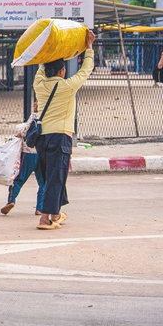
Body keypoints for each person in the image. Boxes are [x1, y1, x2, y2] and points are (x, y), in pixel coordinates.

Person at [33, 30, 95, 230]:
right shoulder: (68, 86)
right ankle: (45, 218)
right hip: (61, 138)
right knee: (55, 176)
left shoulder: (39, 85)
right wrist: (89, 47)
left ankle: (57, 212)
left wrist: (47, 52)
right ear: (61, 71)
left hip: (42, 138)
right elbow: (86, 69)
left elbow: (40, 70)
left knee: (53, 175)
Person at [2, 102, 45, 216]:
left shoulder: (35, 117)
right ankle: (40, 208)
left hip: (28, 153)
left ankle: (11, 201)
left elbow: (25, 130)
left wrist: (17, 135)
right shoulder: (50, 117)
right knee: (43, 182)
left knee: (19, 178)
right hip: (43, 153)